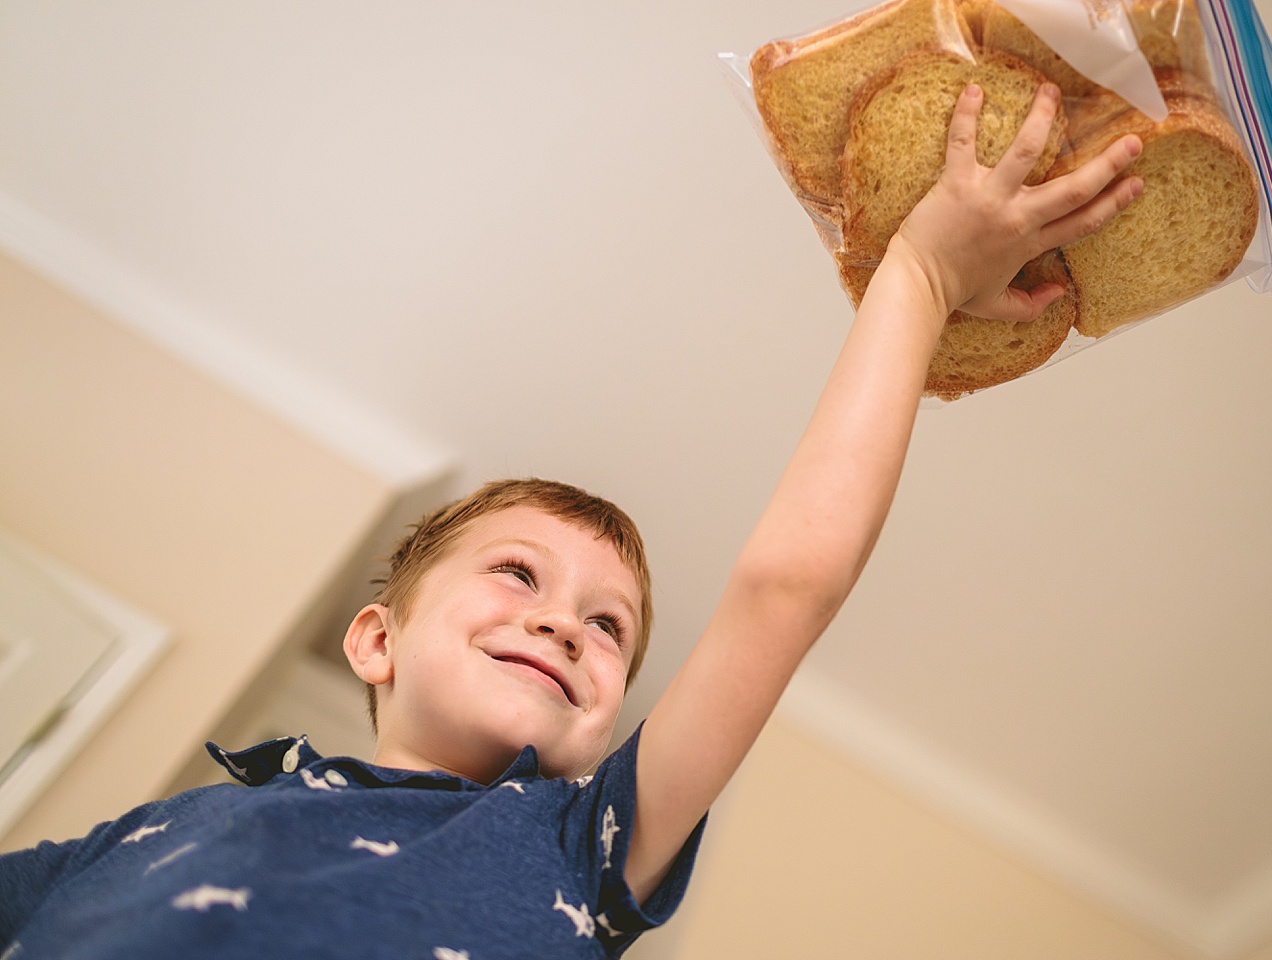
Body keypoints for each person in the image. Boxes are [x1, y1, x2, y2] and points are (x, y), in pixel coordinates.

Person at [0, 83, 1142, 958]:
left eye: (609, 628)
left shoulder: (582, 844)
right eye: (517, 574)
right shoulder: (136, 839)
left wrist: (924, 280)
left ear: (604, 727)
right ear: (376, 639)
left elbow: (786, 587)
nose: (564, 628)